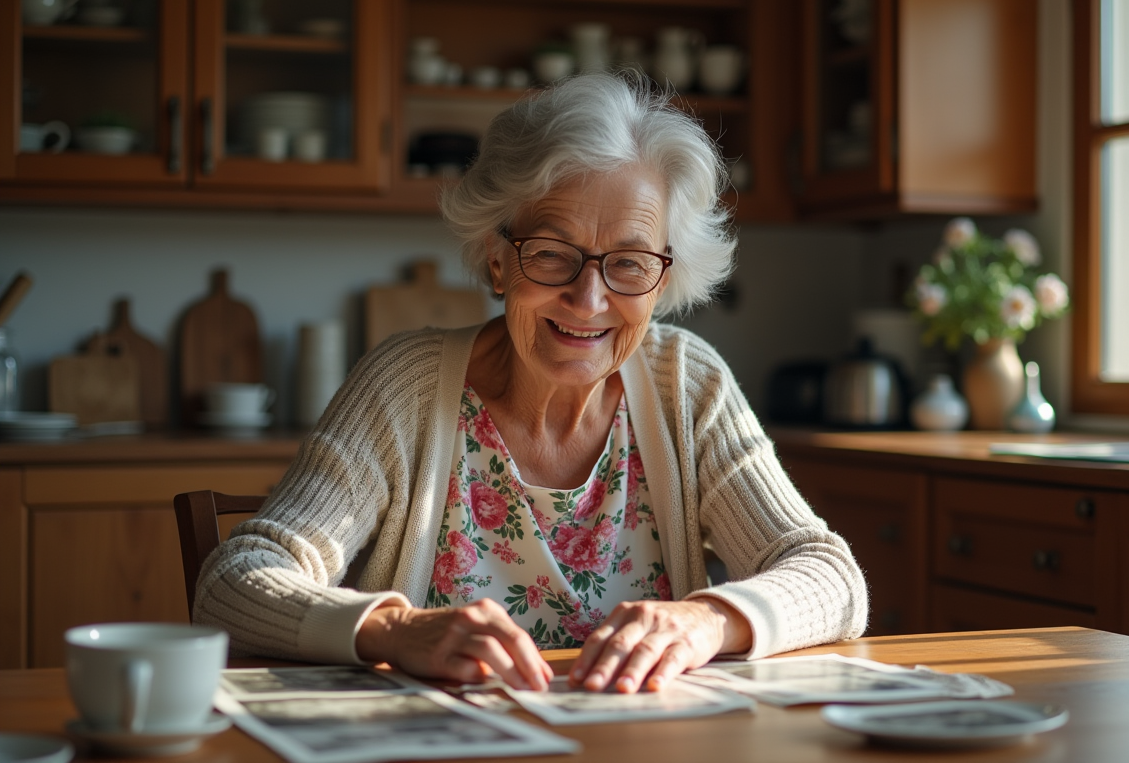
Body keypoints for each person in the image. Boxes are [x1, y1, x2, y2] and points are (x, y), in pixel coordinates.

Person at [194, 72, 867, 695]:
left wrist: (707, 622)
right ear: (496, 259)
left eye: (629, 264)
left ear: (663, 280)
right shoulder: (405, 387)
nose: (589, 299)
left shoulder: (686, 385)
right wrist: (395, 631)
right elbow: (232, 582)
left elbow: (832, 577)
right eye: (551, 254)